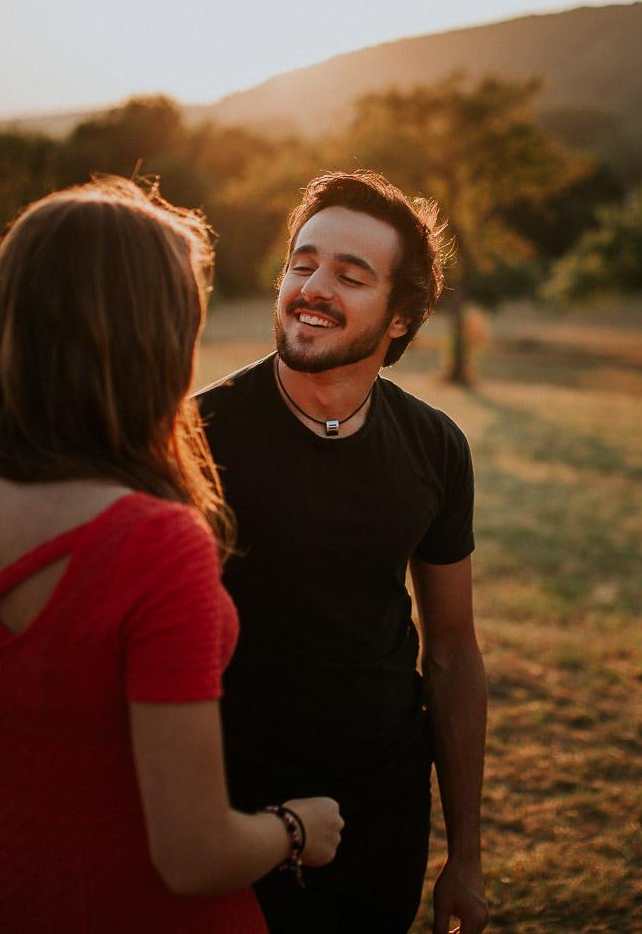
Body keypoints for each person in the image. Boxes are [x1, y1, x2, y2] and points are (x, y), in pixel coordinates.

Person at [0, 177, 342, 932]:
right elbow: (193, 853)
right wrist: (298, 830)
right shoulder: (149, 541)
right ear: (153, 341)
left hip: (7, 897)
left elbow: (36, 706)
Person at [196, 170, 490, 934]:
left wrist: (466, 856)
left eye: (350, 275)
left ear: (399, 318)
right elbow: (111, 637)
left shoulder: (436, 448)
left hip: (382, 810)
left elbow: (454, 652)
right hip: (229, 806)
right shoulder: (194, 437)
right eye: (302, 262)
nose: (312, 287)